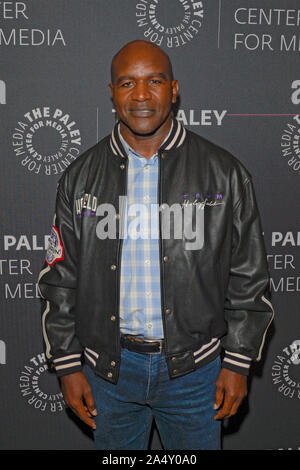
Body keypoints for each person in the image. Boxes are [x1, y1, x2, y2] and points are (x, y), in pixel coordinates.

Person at [37, 40, 274, 450]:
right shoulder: (79, 177)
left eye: (155, 81)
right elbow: (61, 279)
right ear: (111, 92)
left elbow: (249, 278)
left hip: (195, 373)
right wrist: (67, 365)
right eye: (128, 83)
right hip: (108, 373)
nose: (142, 95)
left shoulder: (224, 173)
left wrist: (237, 363)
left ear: (174, 89)